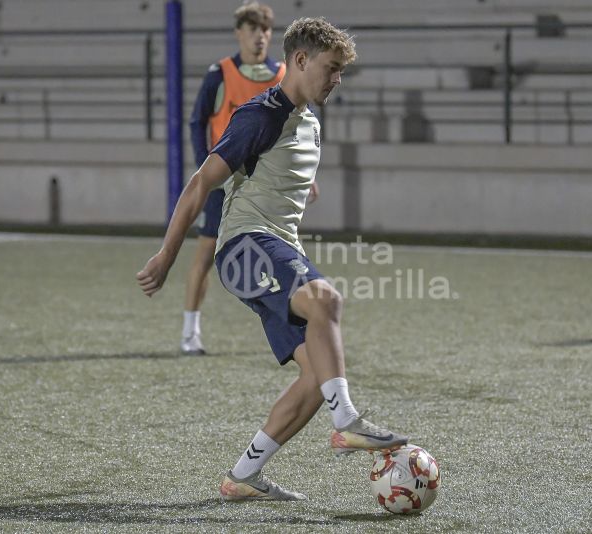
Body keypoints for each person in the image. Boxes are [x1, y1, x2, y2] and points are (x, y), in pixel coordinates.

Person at [137, 17, 407, 501]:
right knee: (325, 299)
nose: (337, 79)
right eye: (332, 68)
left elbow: (281, 173)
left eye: (342, 71)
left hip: (276, 246)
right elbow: (201, 182)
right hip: (245, 245)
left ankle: (242, 476)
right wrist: (167, 254)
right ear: (300, 60)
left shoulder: (308, 120)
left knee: (313, 376)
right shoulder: (260, 115)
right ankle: (346, 421)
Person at [181, 1, 287, 355]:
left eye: (266, 30)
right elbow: (197, 121)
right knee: (206, 254)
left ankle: (286, 327)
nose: (260, 37)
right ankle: (190, 331)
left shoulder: (283, 75)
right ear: (238, 33)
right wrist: (206, 167)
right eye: (253, 29)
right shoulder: (220, 74)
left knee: (279, 255)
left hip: (265, 186)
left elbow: (297, 129)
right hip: (224, 182)